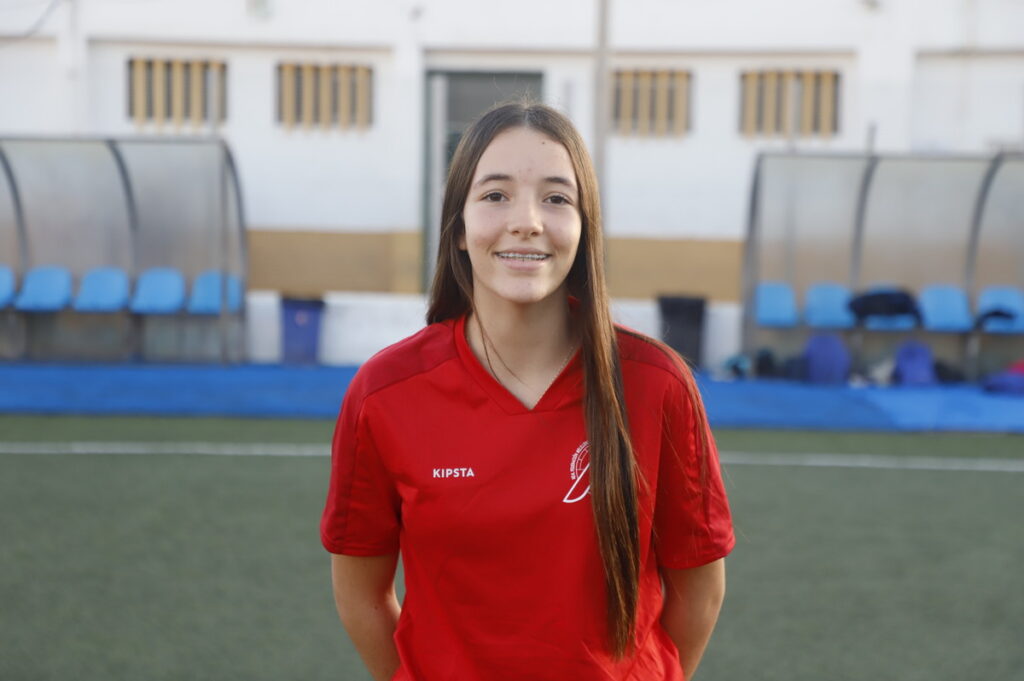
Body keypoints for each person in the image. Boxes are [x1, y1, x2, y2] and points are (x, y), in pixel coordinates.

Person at [321, 101, 734, 681]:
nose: (528, 221)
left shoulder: (656, 383)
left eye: (556, 198)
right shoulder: (385, 394)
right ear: (458, 229)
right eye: (495, 195)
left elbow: (700, 591)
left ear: (584, 227)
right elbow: (362, 595)